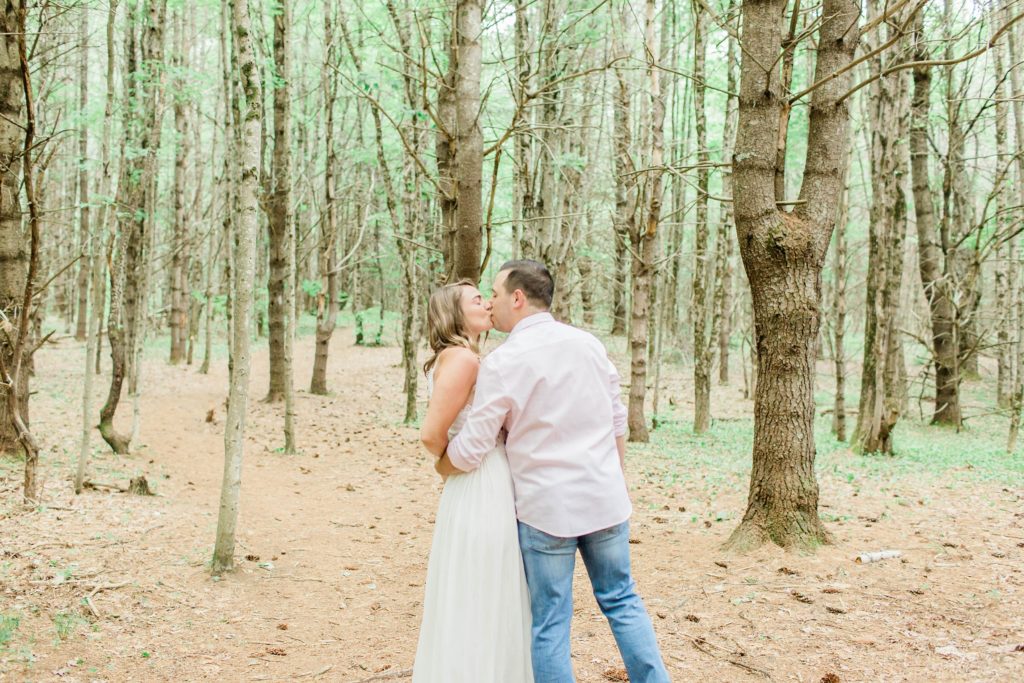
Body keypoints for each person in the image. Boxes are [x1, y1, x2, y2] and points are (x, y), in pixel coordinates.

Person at [437, 260, 670, 683]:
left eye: (495, 293)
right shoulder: (589, 344)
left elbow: (475, 445)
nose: (491, 302)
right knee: (622, 601)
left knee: (550, 622)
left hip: (547, 512)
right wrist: (614, 477)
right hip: (604, 500)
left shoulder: (503, 362)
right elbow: (618, 421)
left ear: (518, 298)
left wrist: (442, 462)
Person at [413, 279, 533, 682]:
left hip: (482, 476)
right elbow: (431, 434)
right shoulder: (463, 359)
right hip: (480, 480)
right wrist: (452, 463)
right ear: (454, 313)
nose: (486, 303)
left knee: (482, 586)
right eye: (476, 300)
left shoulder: (463, 356)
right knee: (483, 586)